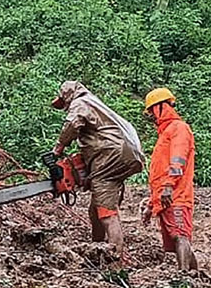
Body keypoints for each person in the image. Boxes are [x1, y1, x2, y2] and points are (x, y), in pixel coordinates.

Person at [51, 80, 144, 263]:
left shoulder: (81, 102)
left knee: (106, 213)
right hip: (124, 154)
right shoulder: (98, 105)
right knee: (95, 209)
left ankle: (116, 262)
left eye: (64, 102)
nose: (65, 108)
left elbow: (72, 125)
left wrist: (58, 148)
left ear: (68, 95)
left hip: (110, 156)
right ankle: (97, 248)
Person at [142, 87, 199, 272]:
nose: (151, 116)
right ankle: (195, 275)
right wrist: (152, 204)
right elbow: (159, 174)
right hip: (166, 197)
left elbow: (178, 159)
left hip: (176, 196)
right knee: (176, 240)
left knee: (180, 237)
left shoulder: (178, 129)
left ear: (160, 107)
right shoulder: (164, 134)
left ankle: (184, 276)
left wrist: (168, 186)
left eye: (151, 111)